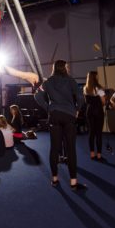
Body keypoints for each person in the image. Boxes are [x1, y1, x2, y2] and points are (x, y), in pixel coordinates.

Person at [34, 59, 86, 191]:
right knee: (71, 149)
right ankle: (73, 183)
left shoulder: (47, 82)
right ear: (65, 68)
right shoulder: (71, 80)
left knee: (54, 148)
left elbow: (37, 96)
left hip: (54, 115)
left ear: (54, 68)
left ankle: (55, 180)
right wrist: (77, 110)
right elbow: (80, 97)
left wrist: (48, 108)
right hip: (69, 115)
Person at [84, 71, 106, 161]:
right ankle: (99, 155)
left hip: (89, 111)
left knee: (91, 133)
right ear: (95, 77)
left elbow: (86, 101)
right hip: (98, 111)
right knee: (98, 134)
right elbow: (103, 102)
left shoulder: (85, 88)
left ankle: (92, 154)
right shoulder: (99, 88)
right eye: (97, 76)